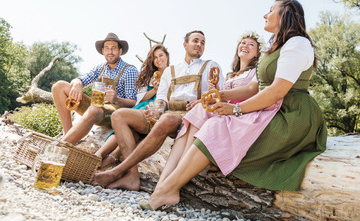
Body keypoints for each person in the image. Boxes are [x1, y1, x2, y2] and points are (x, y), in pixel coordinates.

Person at [140, 0, 328, 210]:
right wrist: (218, 96)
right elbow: (253, 89)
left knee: (217, 126)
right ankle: (165, 183)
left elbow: (276, 91)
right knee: (201, 110)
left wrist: (236, 109)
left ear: (286, 14)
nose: (265, 15)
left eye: (271, 10)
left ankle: (168, 189)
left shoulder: (298, 44)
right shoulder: (274, 47)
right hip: (271, 106)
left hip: (292, 115)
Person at [92, 30, 224, 190]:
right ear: (185, 45)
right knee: (119, 115)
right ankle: (132, 176)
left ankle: (117, 171)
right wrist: (157, 108)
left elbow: (218, 96)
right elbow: (162, 98)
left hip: (190, 116)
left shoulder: (211, 66)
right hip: (166, 113)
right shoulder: (171, 70)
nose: (199, 45)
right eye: (195, 41)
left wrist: (206, 98)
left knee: (166, 119)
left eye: (202, 43)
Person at [156, 30, 264, 187]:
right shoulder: (230, 76)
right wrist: (205, 98)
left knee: (200, 110)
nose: (245, 45)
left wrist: (213, 96)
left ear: (257, 53)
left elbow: (247, 93)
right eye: (243, 42)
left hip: (238, 113)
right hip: (222, 111)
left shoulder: (256, 72)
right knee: (195, 114)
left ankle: (173, 178)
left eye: (251, 44)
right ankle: (163, 181)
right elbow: (217, 97)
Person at [52, 33, 138, 145]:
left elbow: (133, 103)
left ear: (120, 51)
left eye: (113, 48)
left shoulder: (130, 70)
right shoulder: (100, 68)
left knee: (94, 109)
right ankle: (68, 135)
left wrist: (116, 99)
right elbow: (82, 79)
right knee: (59, 86)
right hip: (96, 108)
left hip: (113, 114)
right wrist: (78, 82)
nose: (110, 52)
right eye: (107, 48)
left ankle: (62, 145)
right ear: (103, 51)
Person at [94, 44, 170, 169]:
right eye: (155, 57)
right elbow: (138, 99)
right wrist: (155, 90)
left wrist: (163, 89)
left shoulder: (174, 74)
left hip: (161, 108)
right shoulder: (149, 77)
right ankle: (99, 155)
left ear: (167, 56)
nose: (158, 59)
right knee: (129, 128)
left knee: (134, 130)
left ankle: (108, 157)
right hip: (144, 105)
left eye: (161, 55)